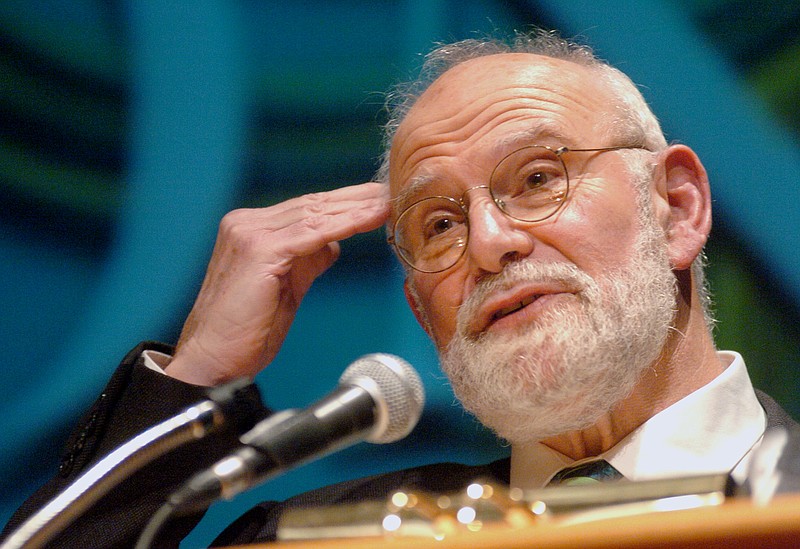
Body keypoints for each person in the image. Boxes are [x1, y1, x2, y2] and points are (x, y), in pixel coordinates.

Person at [3, 28, 797, 547]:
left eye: (538, 177)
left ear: (679, 207)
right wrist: (196, 377)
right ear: (423, 310)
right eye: (440, 225)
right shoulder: (320, 538)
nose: (488, 243)